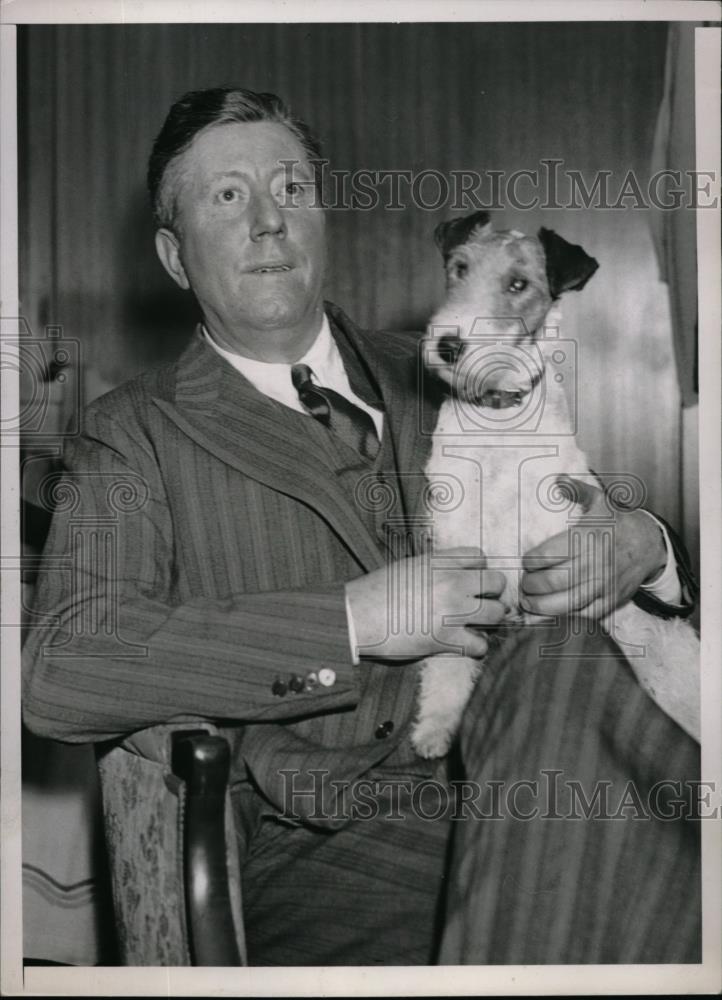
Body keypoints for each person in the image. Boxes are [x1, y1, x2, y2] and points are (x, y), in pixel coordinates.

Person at [22, 87, 701, 966]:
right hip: (342, 849)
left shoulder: (450, 365)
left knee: (563, 676)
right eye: (228, 197)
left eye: (292, 189)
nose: (270, 220)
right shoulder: (131, 434)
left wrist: (644, 543)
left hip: (560, 768)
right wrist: (351, 621)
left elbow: (585, 508)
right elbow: (60, 668)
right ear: (174, 254)